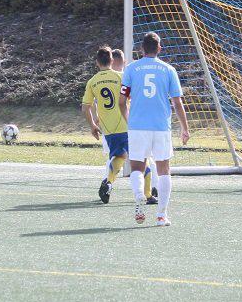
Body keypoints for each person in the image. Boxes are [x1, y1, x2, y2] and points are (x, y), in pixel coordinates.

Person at [119, 32, 190, 226]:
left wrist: (129, 120)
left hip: (137, 127)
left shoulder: (131, 68)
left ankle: (139, 194)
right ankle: (161, 216)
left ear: (141, 49)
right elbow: (177, 102)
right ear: (159, 48)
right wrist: (185, 128)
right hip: (160, 127)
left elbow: (122, 101)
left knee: (137, 168)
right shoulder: (168, 69)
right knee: (164, 169)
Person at [81, 46, 155, 205]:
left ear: (97, 62)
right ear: (112, 60)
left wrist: (93, 125)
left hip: (109, 129)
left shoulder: (92, 82)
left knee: (119, 157)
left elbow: (85, 107)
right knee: (142, 158)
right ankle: (148, 194)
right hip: (127, 125)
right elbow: (135, 97)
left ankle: (108, 182)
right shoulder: (122, 77)